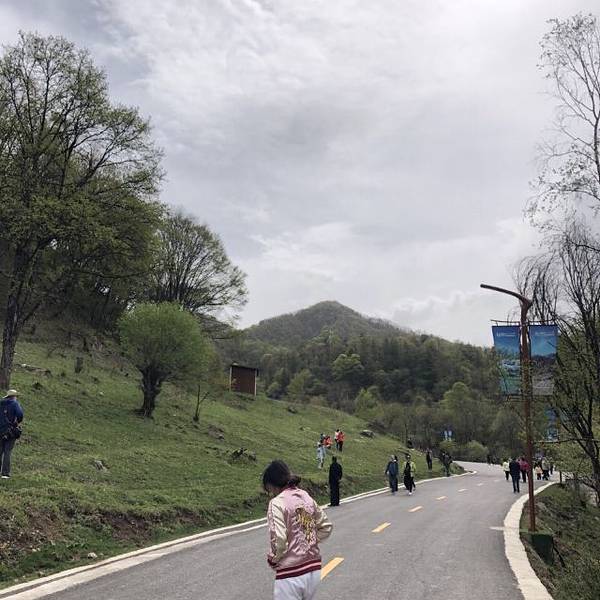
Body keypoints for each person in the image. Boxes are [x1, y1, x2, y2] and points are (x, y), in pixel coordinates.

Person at [263, 460, 332, 599]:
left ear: (271, 483)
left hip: (291, 574)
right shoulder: (305, 496)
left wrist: (273, 559)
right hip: (313, 570)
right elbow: (325, 527)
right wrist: (309, 542)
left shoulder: (277, 503)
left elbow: (279, 540)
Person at [0, 389, 24, 479]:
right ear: (14, 396)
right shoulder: (15, 404)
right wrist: (17, 422)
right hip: (10, 431)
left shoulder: (1, 403)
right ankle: (5, 473)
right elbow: (20, 414)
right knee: (7, 452)